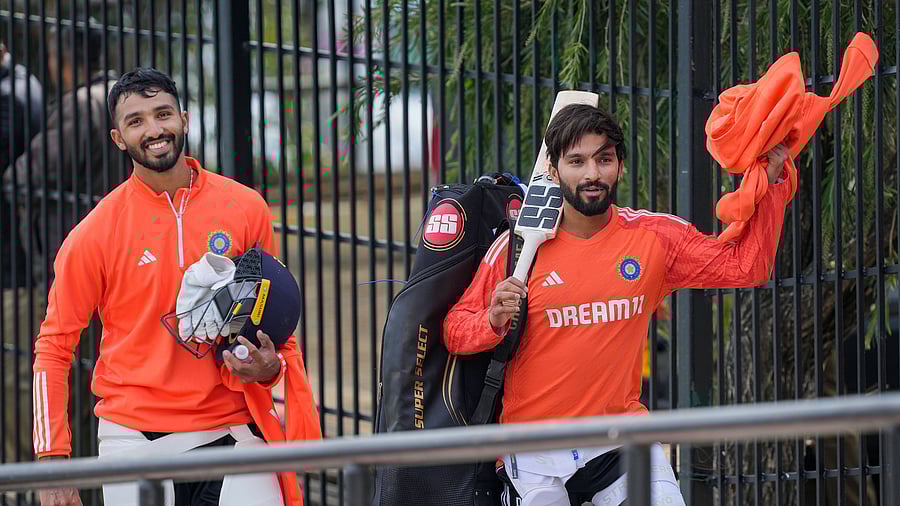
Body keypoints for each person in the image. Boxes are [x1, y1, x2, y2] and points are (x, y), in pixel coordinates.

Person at [443, 103, 793, 506]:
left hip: (620, 437)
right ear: (553, 171)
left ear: (620, 166)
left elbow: (746, 267)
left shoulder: (654, 239)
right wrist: (492, 319)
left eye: (603, 159)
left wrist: (774, 181)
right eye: (576, 161)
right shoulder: (517, 248)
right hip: (532, 445)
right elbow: (454, 330)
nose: (592, 174)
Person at [33, 68, 320, 506]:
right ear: (118, 139)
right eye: (136, 121)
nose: (154, 129)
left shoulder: (245, 207)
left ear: (184, 120)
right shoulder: (94, 232)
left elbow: (276, 326)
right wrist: (52, 462)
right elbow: (54, 347)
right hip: (133, 439)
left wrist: (270, 368)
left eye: (162, 113)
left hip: (234, 431)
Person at [4, 21, 120, 286]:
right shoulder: (119, 95)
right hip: (119, 241)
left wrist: (14, 178)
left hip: (78, 246)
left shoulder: (80, 105)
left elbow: (30, 173)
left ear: (62, 59)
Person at [0, 39, 44, 466]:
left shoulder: (12, 96)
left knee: (16, 379)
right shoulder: (19, 86)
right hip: (15, 263)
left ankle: (21, 485)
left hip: (15, 266)